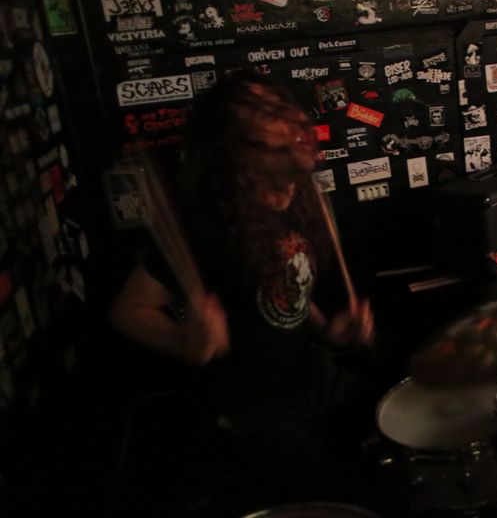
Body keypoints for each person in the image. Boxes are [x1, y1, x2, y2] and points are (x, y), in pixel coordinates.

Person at [110, 70, 385, 515]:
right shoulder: (206, 222)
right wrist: (185, 343)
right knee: (343, 496)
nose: (291, 130)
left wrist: (327, 329)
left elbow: (287, 284)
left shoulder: (301, 197)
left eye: (282, 111)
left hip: (310, 378)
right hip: (251, 410)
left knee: (396, 422)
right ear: (238, 153)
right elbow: (129, 309)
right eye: (267, 126)